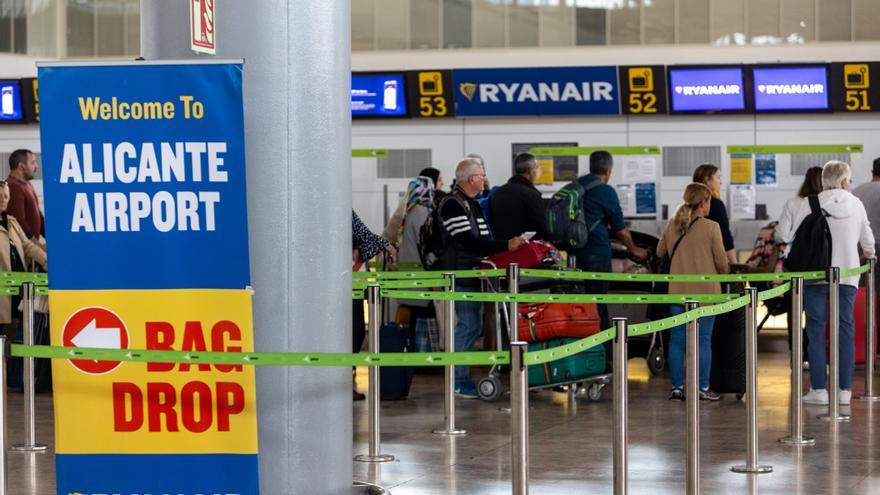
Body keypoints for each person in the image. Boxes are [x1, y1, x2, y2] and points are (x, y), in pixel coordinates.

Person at [783, 161, 875, 406]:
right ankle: (844, 390)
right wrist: (869, 254)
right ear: (845, 181)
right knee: (845, 329)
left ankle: (818, 390)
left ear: (824, 181)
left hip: (814, 277)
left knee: (815, 329)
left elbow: (791, 237)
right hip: (847, 276)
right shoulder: (856, 204)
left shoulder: (809, 203)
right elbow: (868, 240)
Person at [439, 158, 526, 398]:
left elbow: (483, 241)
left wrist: (505, 248)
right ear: (470, 179)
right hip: (462, 274)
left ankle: (460, 377)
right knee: (468, 326)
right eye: (481, 174)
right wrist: (505, 245)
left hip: (474, 273)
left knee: (473, 326)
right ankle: (457, 380)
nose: (485, 178)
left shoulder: (472, 204)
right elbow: (468, 241)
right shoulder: (453, 205)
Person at [656, 183, 729, 401]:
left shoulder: (672, 225)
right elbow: (723, 265)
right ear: (704, 203)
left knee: (677, 340)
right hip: (706, 294)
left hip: (677, 292)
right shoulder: (711, 227)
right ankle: (702, 387)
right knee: (703, 340)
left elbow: (660, 252)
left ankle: (677, 387)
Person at [571, 150, 647, 334]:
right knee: (598, 305)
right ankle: (604, 356)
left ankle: (579, 348)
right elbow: (621, 230)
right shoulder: (605, 191)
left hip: (573, 255)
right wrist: (634, 249)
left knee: (578, 305)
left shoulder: (575, 186)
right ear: (608, 171)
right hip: (597, 254)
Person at [774, 166, 823, 364]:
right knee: (817, 314)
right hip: (820, 267)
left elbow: (782, 235)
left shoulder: (793, 203)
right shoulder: (827, 204)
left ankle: (796, 354)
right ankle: (816, 355)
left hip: (795, 267)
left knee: (795, 313)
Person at [352, 210, 398, 400]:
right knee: (354, 332)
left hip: (347, 281)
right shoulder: (338, 204)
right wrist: (387, 245)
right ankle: (346, 383)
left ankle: (347, 382)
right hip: (348, 283)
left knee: (354, 332)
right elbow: (361, 231)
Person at [489, 152, 547, 241]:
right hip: (524, 249)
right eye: (537, 167)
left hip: (501, 248)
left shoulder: (498, 193)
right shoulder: (531, 195)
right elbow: (541, 227)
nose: (538, 170)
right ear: (530, 170)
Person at [692, 164, 737, 264]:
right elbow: (725, 238)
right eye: (718, 177)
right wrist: (735, 264)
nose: (720, 182)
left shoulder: (686, 205)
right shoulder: (716, 205)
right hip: (709, 264)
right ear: (707, 180)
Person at [6, 150, 44, 245]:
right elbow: (19, 222)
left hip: (32, 248)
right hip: (24, 249)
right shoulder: (12, 186)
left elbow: (39, 215)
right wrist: (38, 246)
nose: (36, 167)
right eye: (33, 162)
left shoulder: (28, 185)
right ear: (21, 166)